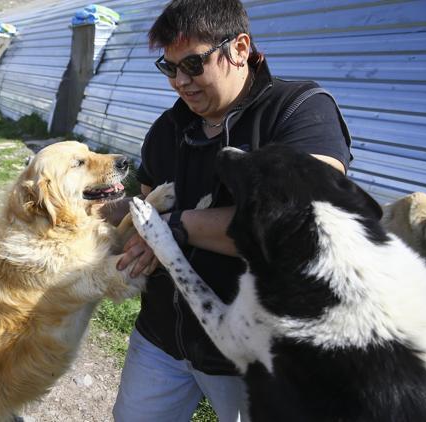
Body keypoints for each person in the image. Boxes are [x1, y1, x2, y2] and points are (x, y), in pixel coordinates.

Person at [109, 0, 352, 420]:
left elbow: (304, 223)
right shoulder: (167, 131)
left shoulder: (298, 111)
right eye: (169, 69)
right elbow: (144, 217)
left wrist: (177, 226)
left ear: (239, 48)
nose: (180, 82)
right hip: (162, 339)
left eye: (193, 64)